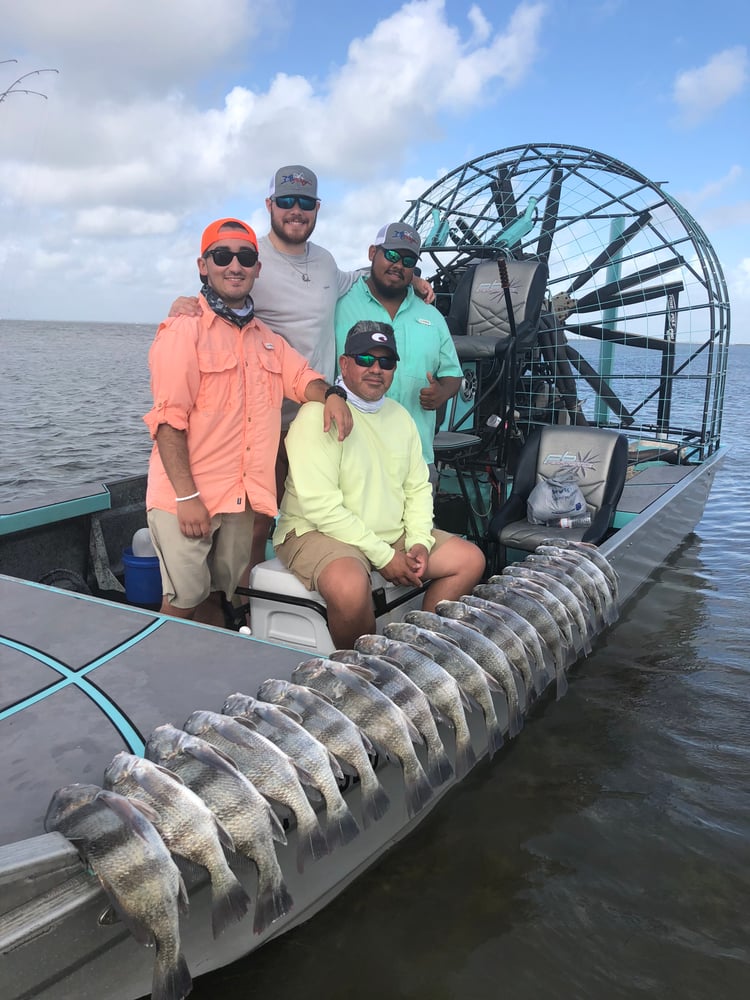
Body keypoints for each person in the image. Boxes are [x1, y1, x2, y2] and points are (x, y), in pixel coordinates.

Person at [168, 165, 434, 570]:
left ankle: (325, 582)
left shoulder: (326, 261)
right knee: (258, 518)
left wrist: (410, 278)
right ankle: (250, 600)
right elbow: (222, 285)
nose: (296, 210)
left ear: (316, 208)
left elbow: (358, 277)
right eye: (287, 201)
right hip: (264, 419)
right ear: (270, 205)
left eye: (305, 203)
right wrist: (185, 302)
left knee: (323, 508)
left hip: (321, 410)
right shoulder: (251, 255)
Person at [143, 217, 352, 627]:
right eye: (222, 256)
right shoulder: (182, 331)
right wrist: (187, 498)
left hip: (239, 500)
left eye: (246, 256)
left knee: (221, 594)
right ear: (204, 265)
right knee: (182, 600)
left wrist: (331, 395)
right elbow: (168, 422)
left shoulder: (267, 339)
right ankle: (154, 678)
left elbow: (301, 378)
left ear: (258, 268)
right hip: (189, 499)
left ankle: (209, 669)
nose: (234, 265)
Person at [273, 320, 486, 649]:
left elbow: (417, 489)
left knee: (470, 560)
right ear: (344, 363)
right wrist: (384, 557)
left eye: (386, 362)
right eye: (365, 359)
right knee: (348, 587)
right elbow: (321, 509)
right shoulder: (316, 415)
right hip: (315, 531)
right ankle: (364, 674)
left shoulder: (401, 417)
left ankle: (420, 653)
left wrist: (418, 541)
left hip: (389, 531)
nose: (376, 369)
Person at [334, 221, 464, 478]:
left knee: (418, 519)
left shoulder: (433, 317)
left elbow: (453, 374)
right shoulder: (338, 303)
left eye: (408, 262)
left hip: (415, 459)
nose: (398, 265)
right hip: (347, 455)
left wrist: (441, 393)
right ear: (373, 253)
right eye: (391, 255)